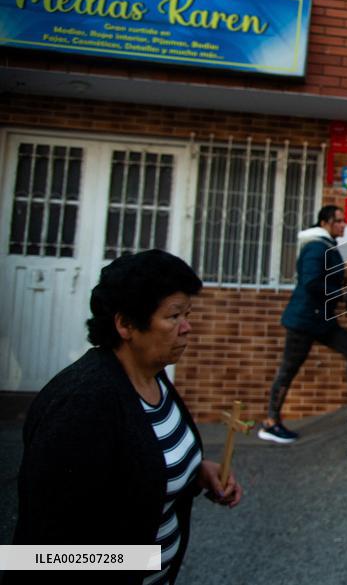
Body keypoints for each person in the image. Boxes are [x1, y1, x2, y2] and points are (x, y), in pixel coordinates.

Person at [13, 250, 242, 585]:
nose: (187, 328)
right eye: (174, 316)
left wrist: (194, 473)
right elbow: (40, 552)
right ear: (125, 324)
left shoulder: (153, 376)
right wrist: (140, 558)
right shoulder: (82, 405)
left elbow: (138, 463)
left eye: (188, 314)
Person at [259, 206, 347, 444]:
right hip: (304, 320)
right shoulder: (315, 246)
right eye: (339, 222)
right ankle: (270, 422)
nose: (343, 226)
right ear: (325, 222)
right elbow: (311, 281)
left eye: (344, 222)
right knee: (288, 370)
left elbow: (346, 256)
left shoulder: (327, 245)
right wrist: (341, 295)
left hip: (320, 320)